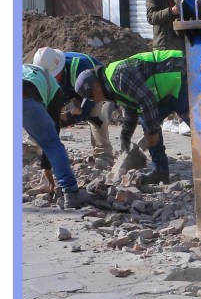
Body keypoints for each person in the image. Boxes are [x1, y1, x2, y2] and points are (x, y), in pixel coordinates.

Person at [75, 50, 190, 185]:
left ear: (96, 87)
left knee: (199, 125)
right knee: (148, 122)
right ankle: (161, 173)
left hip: (180, 74)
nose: (94, 100)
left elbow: (147, 101)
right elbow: (132, 108)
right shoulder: (112, 88)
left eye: (91, 97)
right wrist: (125, 139)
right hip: (168, 89)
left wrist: (153, 132)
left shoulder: (118, 76)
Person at [32, 46, 116, 164]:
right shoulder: (50, 67)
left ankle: (104, 155)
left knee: (94, 116)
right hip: (69, 85)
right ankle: (30, 147)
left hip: (94, 87)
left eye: (54, 76)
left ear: (60, 68)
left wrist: (66, 119)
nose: (51, 79)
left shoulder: (81, 68)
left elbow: (85, 111)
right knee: (44, 113)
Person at [22, 64, 84, 209]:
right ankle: (70, 193)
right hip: (25, 96)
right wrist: (48, 172)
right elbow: (52, 136)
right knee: (52, 144)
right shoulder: (54, 86)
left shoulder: (23, 68)